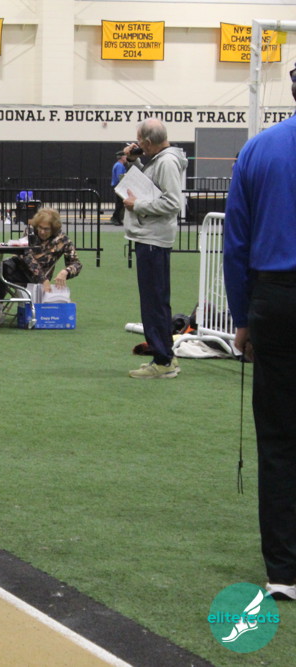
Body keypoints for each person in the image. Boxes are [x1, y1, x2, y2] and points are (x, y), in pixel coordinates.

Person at [222, 65, 296, 603]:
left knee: (278, 438)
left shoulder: (258, 151)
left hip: (276, 300)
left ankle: (284, 571)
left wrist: (242, 318)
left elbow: (236, 243)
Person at [120, 118, 187, 379]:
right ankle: (166, 355)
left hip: (153, 239)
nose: (138, 144)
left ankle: (163, 361)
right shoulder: (160, 160)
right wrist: (133, 162)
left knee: (154, 303)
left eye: (140, 141)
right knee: (156, 301)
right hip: (151, 237)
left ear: (147, 142)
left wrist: (137, 205)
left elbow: (172, 203)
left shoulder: (166, 162)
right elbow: (150, 187)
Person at [0, 207, 82, 326]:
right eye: (40, 227)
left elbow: (76, 264)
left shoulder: (63, 240)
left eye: (46, 229)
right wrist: (43, 279)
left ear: (54, 228)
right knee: (1, 269)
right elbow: (26, 256)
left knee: (3, 271)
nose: (42, 232)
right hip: (21, 267)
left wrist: (66, 271)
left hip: (35, 279)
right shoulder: (30, 231)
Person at [110, 154, 127, 225]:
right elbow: (119, 177)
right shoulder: (119, 166)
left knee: (120, 203)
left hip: (118, 186)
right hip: (119, 186)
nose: (126, 158)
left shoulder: (118, 165)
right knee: (120, 204)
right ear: (122, 157)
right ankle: (115, 218)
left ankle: (117, 219)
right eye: (125, 157)